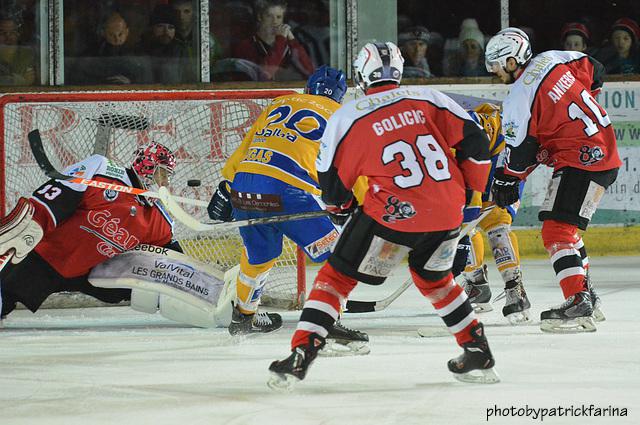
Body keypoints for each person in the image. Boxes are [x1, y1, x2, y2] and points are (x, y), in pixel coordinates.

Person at [268, 42, 499, 391]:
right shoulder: (430, 99)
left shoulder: (349, 114)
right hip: (448, 209)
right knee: (435, 280)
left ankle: (301, 352)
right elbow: (478, 143)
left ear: (362, 76)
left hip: (394, 214)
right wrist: (468, 190)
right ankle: (477, 349)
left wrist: (342, 211)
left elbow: (331, 184)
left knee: (335, 279)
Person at [207, 65, 368, 352]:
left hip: (245, 185)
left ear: (308, 89)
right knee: (339, 255)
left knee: (260, 257)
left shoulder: (280, 102)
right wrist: (365, 204)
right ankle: (326, 323)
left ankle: (243, 317)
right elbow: (352, 167)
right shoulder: (341, 116)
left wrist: (227, 186)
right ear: (340, 97)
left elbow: (245, 149)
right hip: (288, 191)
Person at [485, 27, 620, 333]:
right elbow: (594, 69)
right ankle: (586, 296)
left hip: (580, 160)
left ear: (510, 61)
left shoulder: (519, 95)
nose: (494, 72)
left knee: (556, 231)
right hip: (602, 152)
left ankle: (577, 300)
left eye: (496, 65)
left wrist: (507, 180)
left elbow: (519, 153)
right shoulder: (553, 59)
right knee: (567, 229)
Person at [0, 142, 180, 320]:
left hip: (94, 273)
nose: (164, 182)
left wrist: (191, 284)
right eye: (162, 173)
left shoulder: (157, 217)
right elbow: (55, 199)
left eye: (167, 177)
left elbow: (174, 260)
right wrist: (35, 221)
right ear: (147, 165)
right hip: (46, 259)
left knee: (155, 289)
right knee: (5, 297)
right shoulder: (102, 170)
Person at [459, 103, 530, 324]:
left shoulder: (471, 127)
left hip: (502, 171)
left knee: (495, 225)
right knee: (462, 226)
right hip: (484, 168)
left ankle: (514, 290)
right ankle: (477, 283)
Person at [231, 0, 314, 81]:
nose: (275, 21)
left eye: (279, 17)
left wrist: (292, 41)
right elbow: (263, 75)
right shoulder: (245, 46)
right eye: (269, 16)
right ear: (260, 17)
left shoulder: (288, 45)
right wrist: (280, 40)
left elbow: (310, 72)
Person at [71, 12, 147, 85]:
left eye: (120, 34)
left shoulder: (137, 52)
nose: (117, 39)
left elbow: (146, 78)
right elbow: (80, 75)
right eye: (111, 34)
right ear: (104, 33)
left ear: (127, 31)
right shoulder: (93, 53)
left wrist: (130, 82)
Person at [169, 0, 222, 82]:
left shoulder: (206, 39)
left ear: (193, 14)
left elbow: (217, 65)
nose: (181, 16)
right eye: (176, 12)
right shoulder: (166, 39)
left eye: (186, 11)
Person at [137, 4, 185, 84]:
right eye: (160, 26)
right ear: (153, 28)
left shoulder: (181, 51)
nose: (166, 32)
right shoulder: (140, 50)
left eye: (171, 27)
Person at [0, 12, 36, 85]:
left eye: (13, 32)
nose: (8, 37)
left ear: (18, 34)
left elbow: (34, 80)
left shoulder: (28, 54)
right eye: (2, 33)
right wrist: (21, 80)